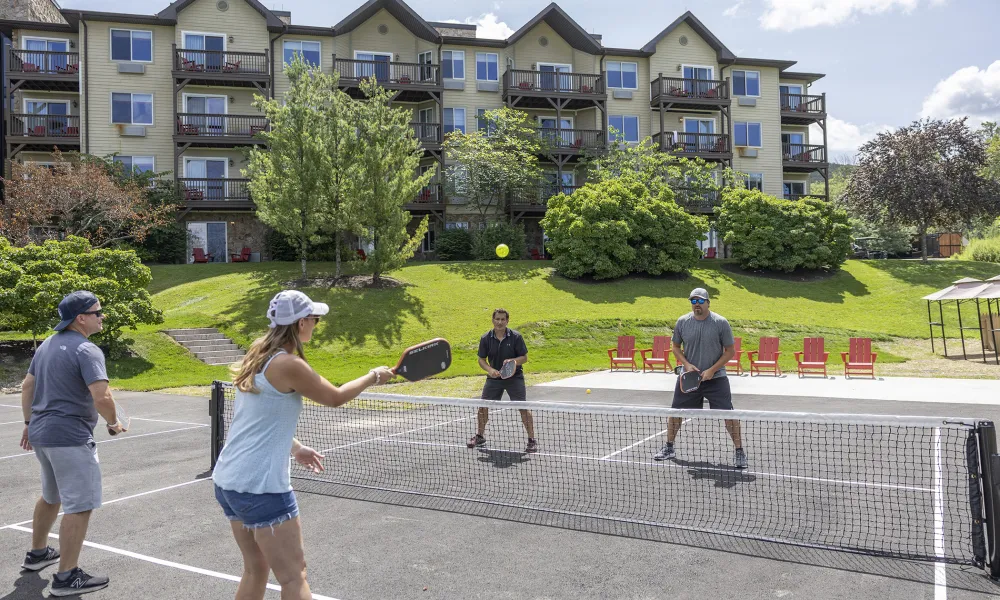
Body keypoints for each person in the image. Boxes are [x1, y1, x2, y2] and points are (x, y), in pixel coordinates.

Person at [212, 290, 394, 600]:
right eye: (315, 319)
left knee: (255, 570)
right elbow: (335, 397)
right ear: (300, 323)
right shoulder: (288, 364)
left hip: (229, 483)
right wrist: (372, 376)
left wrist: (295, 448)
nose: (317, 325)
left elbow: (258, 418)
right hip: (261, 488)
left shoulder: (257, 353)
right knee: (294, 577)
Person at [19, 291, 125, 596]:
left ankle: (38, 554)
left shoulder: (47, 346)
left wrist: (28, 423)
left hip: (42, 433)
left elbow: (28, 386)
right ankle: (66, 577)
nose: (102, 316)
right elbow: (102, 397)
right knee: (80, 505)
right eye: (98, 312)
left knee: (51, 496)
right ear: (81, 318)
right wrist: (113, 423)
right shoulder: (87, 350)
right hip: (69, 437)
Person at [654, 288, 748, 469]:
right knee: (675, 413)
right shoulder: (683, 322)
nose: (696, 305)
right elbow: (675, 347)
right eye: (693, 301)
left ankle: (739, 452)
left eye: (700, 301)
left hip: (716, 378)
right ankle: (669, 447)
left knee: (729, 415)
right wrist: (687, 365)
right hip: (689, 378)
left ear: (708, 302)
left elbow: (730, 351)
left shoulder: (720, 323)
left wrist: (712, 370)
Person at [467, 308, 536, 453]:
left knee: (522, 407)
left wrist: (513, 362)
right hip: (494, 378)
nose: (499, 322)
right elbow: (481, 359)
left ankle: (531, 440)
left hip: (514, 378)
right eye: (497, 319)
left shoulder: (516, 337)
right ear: (493, 320)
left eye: (502, 319)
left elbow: (524, 357)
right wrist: (490, 370)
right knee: (482, 406)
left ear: (507, 321)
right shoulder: (485, 338)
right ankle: (480, 436)